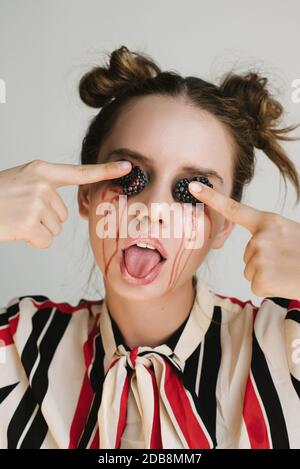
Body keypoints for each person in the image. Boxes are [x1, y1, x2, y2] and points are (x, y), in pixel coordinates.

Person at [0, 45, 300, 449]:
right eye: (130, 176)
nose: (155, 209)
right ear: (86, 194)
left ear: (223, 226)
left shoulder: (282, 347)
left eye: (192, 190)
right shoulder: (17, 344)